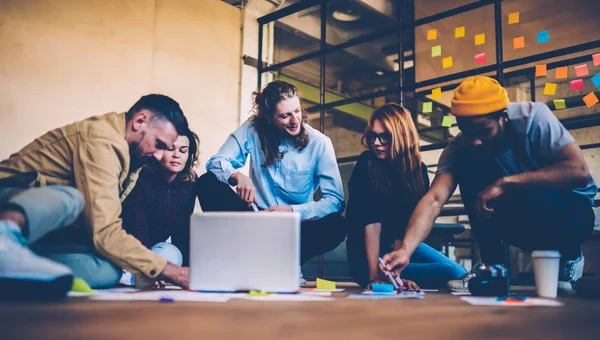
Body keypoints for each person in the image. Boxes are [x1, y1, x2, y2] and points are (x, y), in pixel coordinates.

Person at [380, 76, 597, 292]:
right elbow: (434, 199)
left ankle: (570, 259)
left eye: (484, 131)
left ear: (504, 117)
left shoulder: (533, 118)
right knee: (467, 165)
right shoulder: (459, 148)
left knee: (532, 185)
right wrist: (406, 250)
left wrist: (506, 183)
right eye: (468, 132)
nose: (475, 141)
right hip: (520, 220)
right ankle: (492, 270)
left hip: (573, 216)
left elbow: (578, 171)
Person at [0, 94, 192, 294]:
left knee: (107, 269)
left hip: (40, 234)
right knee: (72, 199)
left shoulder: (134, 159)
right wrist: (170, 271)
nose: (160, 155)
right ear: (139, 122)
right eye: (159, 144)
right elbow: (104, 231)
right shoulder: (102, 139)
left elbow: (99, 234)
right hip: (6, 198)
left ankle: (22, 271)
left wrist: (148, 269)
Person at [198, 80, 346, 284]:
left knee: (337, 224)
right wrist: (237, 176)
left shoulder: (319, 143)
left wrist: (293, 211)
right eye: (285, 116)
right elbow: (216, 162)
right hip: (254, 221)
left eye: (297, 111)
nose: (295, 120)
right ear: (268, 117)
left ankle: (288, 261)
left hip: (295, 228)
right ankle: (251, 259)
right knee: (207, 182)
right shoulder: (252, 129)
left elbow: (335, 201)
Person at [346, 103, 467, 290]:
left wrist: (397, 275)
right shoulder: (366, 163)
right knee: (449, 274)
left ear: (401, 136)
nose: (376, 143)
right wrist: (375, 277)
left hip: (399, 248)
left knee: (460, 274)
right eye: (373, 136)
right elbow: (371, 224)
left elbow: (404, 226)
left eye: (384, 137)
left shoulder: (418, 170)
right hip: (366, 255)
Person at [120, 131, 200, 285]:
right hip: (129, 248)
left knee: (172, 253)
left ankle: (138, 278)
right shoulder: (140, 177)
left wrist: (187, 271)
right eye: (171, 148)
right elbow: (136, 227)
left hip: (157, 250)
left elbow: (182, 231)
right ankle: (135, 276)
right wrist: (151, 267)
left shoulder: (190, 182)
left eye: (183, 151)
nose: (177, 155)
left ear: (189, 156)